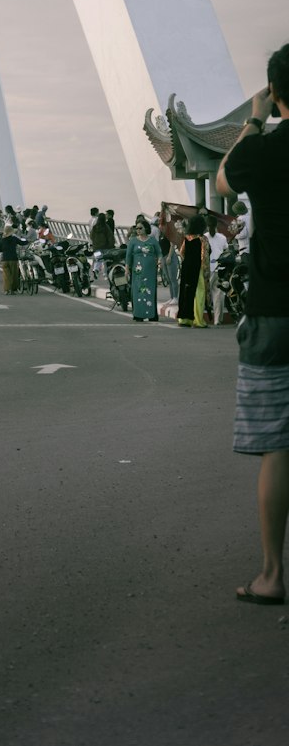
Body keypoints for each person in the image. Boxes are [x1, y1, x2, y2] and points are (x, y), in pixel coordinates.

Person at [217, 46, 289, 605]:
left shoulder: (264, 151)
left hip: (274, 313)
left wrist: (256, 116)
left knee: (278, 446)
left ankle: (271, 575)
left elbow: (222, 182)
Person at [125, 218, 165, 321]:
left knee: (150, 291)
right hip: (137, 272)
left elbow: (159, 252)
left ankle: (152, 315)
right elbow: (128, 256)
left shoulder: (152, 240)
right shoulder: (133, 241)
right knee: (138, 291)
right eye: (137, 228)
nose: (138, 230)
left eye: (140, 228)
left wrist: (160, 261)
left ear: (146, 228)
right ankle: (139, 315)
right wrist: (127, 269)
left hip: (150, 271)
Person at [177, 214, 209, 327]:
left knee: (185, 291)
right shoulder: (202, 239)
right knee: (199, 293)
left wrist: (186, 261)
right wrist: (205, 270)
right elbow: (204, 257)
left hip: (186, 267)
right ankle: (198, 321)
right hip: (197, 268)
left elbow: (181, 252)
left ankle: (184, 319)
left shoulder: (187, 238)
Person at [206, 214, 231, 326]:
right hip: (220, 269)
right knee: (218, 294)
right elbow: (227, 250)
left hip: (207, 269)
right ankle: (217, 319)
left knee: (206, 294)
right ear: (217, 225)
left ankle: (201, 318)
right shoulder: (222, 237)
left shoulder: (204, 237)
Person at [0, 223, 25, 294]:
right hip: (13, 259)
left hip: (5, 259)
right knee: (14, 275)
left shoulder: (3, 240)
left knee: (6, 275)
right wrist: (29, 241)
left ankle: (6, 290)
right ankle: (12, 290)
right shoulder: (14, 239)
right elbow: (22, 243)